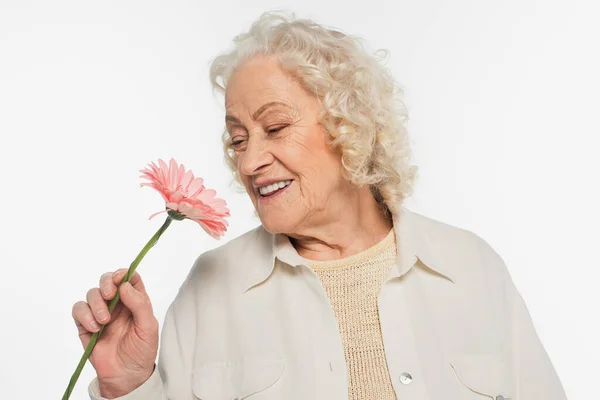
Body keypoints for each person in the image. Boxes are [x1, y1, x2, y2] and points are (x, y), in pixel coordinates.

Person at [72, 10, 568, 400]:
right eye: (238, 138)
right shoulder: (213, 287)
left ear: (349, 127)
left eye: (276, 127)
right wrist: (128, 385)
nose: (249, 162)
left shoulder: (471, 267)